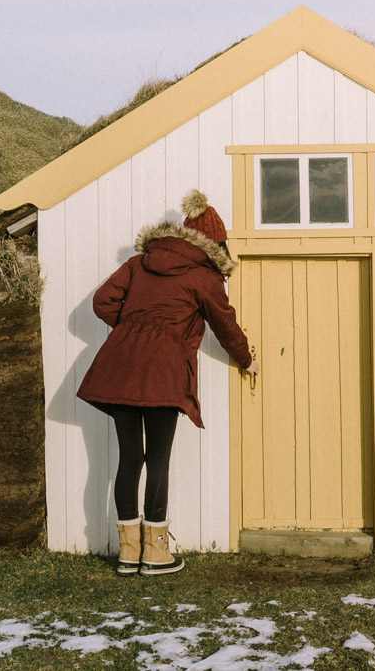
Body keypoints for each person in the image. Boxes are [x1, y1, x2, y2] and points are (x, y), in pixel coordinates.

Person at [76, 189, 257, 576]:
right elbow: (225, 325)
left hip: (119, 368)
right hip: (162, 373)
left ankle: (128, 554)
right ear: (215, 243)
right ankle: (154, 555)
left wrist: (132, 332)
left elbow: (102, 301)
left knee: (128, 458)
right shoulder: (204, 276)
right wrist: (247, 359)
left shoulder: (139, 263)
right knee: (157, 460)